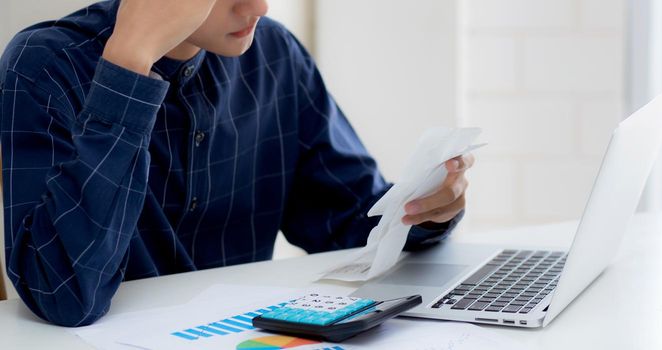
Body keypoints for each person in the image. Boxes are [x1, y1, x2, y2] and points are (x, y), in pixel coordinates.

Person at [0, 0, 473, 327]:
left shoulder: (274, 54)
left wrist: (425, 208)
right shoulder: (46, 66)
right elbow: (60, 294)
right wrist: (130, 62)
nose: (260, 7)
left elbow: (349, 223)